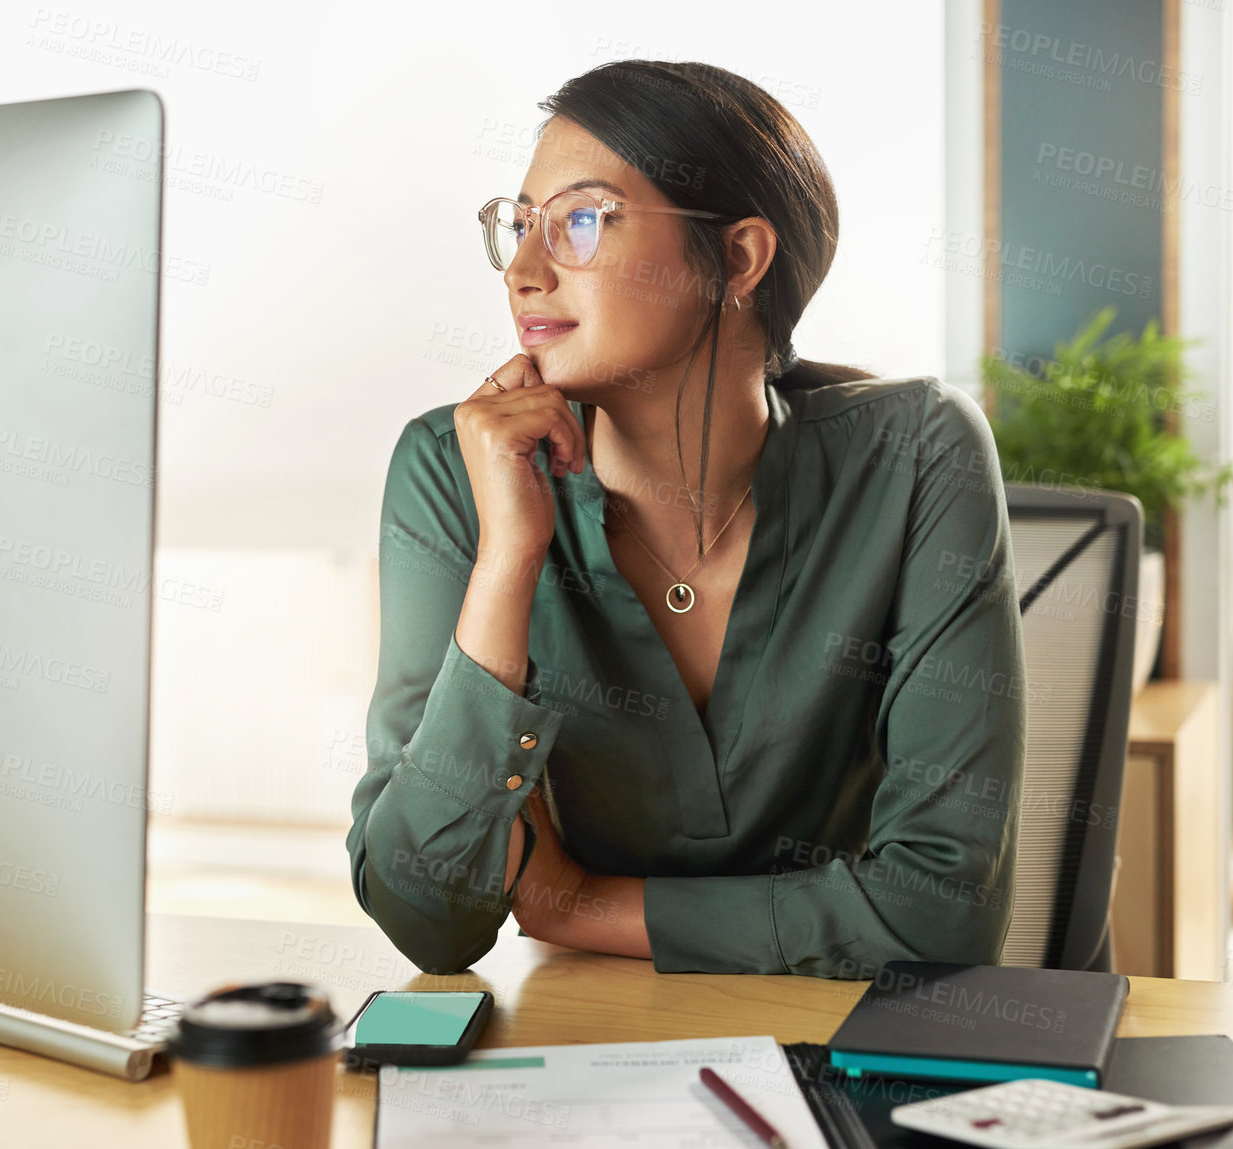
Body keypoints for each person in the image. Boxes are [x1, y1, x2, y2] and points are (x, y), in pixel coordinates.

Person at [346, 59, 1027, 977]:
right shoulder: (454, 467)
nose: (524, 270)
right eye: (519, 226)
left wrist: (578, 904)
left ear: (738, 258)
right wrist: (507, 559)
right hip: (582, 1060)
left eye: (582, 221)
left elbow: (942, 920)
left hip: (842, 1050)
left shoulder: (917, 452)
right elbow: (425, 918)